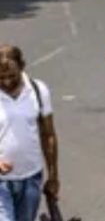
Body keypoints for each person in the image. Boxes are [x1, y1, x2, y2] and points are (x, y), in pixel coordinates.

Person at [0, 45, 58, 221]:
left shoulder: (38, 91)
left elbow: (48, 136)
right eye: (1, 78)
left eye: (12, 76)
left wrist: (53, 176)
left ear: (22, 66)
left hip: (31, 178)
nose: (7, 82)